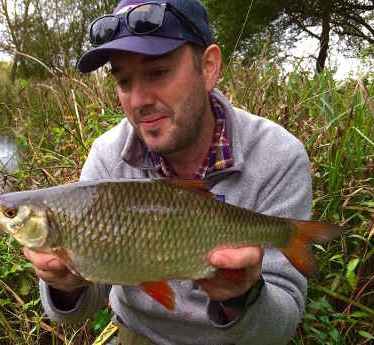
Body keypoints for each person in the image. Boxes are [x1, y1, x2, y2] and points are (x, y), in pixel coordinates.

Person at [24, 0, 312, 344]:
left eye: (157, 72)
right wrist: (65, 285)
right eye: (124, 81)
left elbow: (280, 328)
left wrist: (241, 298)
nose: (139, 100)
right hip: (139, 334)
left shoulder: (278, 156)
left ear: (208, 67)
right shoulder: (107, 156)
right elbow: (78, 308)